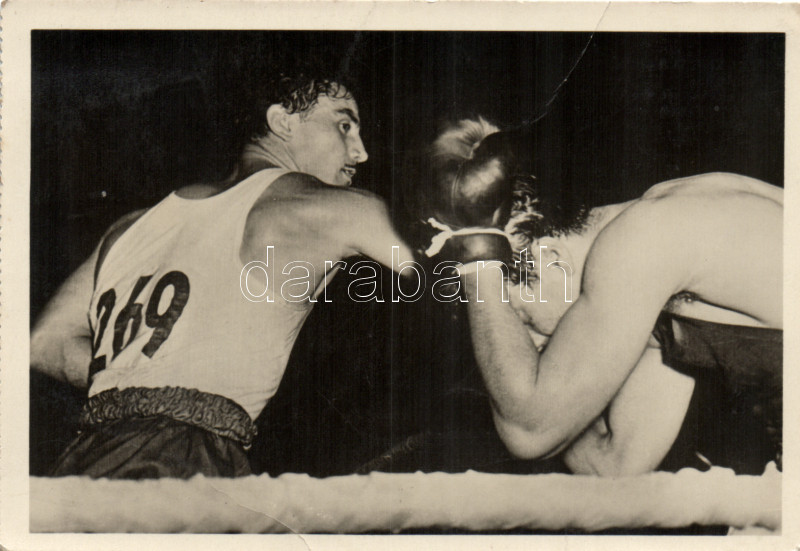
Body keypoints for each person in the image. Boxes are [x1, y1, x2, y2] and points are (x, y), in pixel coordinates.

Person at [30, 73, 416, 479]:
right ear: (283, 122)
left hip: (85, 457)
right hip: (183, 458)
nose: (361, 152)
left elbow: (45, 343)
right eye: (344, 125)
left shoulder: (129, 226)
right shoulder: (336, 208)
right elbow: (449, 273)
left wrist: (140, 384)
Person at [426, 117, 782, 476]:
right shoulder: (649, 286)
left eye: (522, 319)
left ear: (551, 258)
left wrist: (477, 266)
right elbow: (611, 467)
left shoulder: (647, 236)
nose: (529, 344)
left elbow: (528, 432)